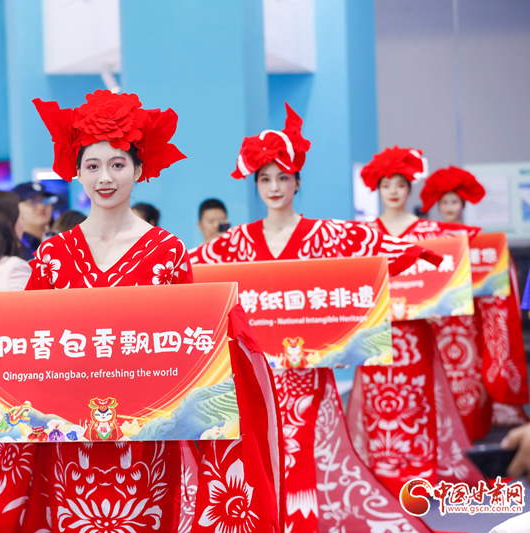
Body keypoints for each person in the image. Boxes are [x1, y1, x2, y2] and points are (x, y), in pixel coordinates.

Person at [0, 89, 284, 533]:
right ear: (77, 171)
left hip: (147, 446)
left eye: (117, 165)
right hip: (69, 445)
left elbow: (197, 350)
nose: (105, 177)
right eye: (92, 166)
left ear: (138, 170)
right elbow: (25, 352)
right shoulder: (53, 255)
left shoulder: (167, 251)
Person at [190, 105, 444, 533]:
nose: (274, 187)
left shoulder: (325, 235)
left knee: (312, 457)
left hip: (308, 374)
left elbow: (373, 247)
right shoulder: (234, 243)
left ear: (297, 181)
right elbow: (190, 269)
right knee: (264, 455)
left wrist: (417, 251)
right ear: (256, 185)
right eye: (265, 179)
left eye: (283, 177)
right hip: (259, 374)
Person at [346, 148, 487, 500]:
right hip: (378, 334)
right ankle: (381, 474)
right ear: (377, 189)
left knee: (416, 400)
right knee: (377, 402)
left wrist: (441, 300)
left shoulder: (430, 231)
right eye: (386, 185)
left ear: (410, 188)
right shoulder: (363, 234)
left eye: (399, 184)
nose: (393, 191)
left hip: (414, 333)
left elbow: (449, 277)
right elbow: (354, 285)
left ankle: (418, 473)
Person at [419, 166, 529, 438]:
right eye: (445, 202)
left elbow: (496, 275)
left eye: (454, 202)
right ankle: (445, 434)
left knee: (471, 375)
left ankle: (474, 431)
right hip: (440, 321)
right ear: (438, 205)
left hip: (470, 319)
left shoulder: (478, 239)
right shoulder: (429, 241)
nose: (449, 207)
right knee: (443, 376)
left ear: (463, 205)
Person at [11, 181, 56, 259]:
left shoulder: (59, 239)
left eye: (45, 200)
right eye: (32, 202)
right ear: (16, 207)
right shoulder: (12, 247)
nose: (41, 207)